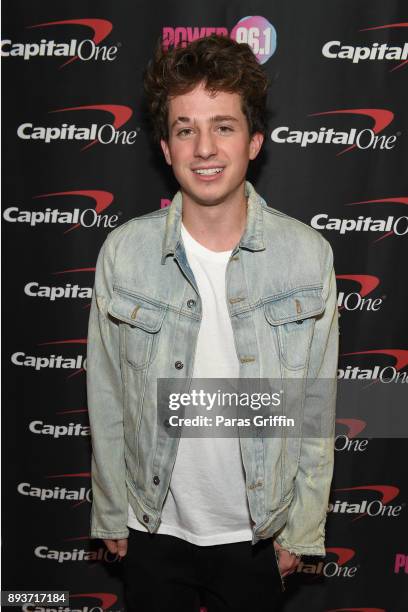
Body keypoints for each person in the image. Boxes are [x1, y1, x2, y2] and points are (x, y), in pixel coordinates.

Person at [86, 34, 339, 612]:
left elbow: (316, 408)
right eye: (185, 129)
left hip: (257, 535)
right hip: (153, 528)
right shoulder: (124, 254)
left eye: (223, 127)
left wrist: (300, 531)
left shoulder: (307, 256)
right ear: (165, 146)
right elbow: (105, 397)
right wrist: (111, 512)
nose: (204, 147)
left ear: (254, 141)